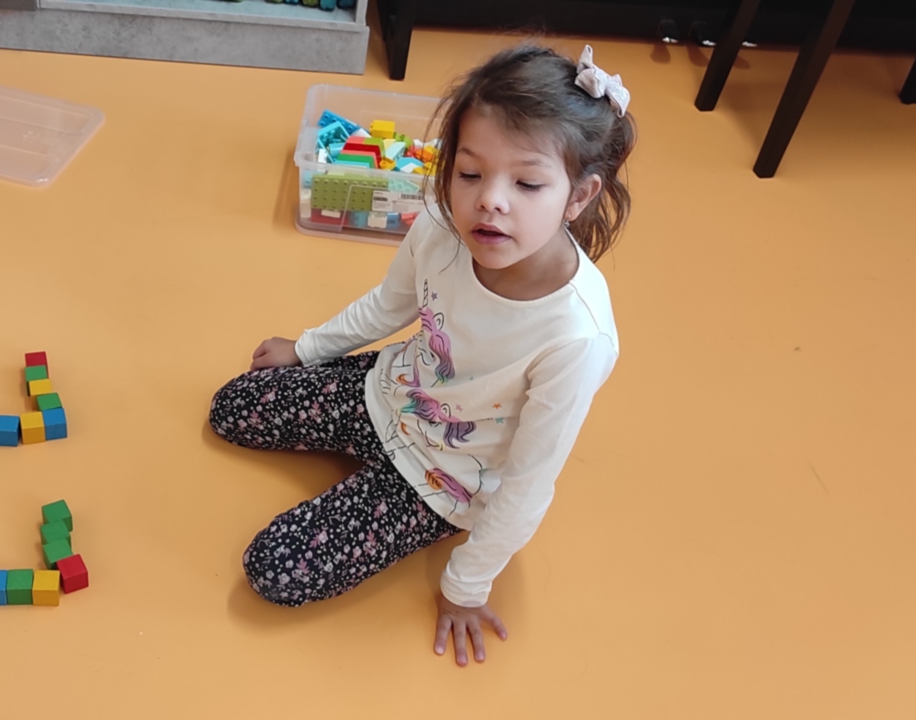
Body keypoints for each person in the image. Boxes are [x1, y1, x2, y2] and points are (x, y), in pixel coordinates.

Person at [209, 44, 635, 666]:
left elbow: (527, 482)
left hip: (443, 481)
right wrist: (306, 349)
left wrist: (466, 587)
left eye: (527, 183)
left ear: (578, 196)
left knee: (274, 570)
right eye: (470, 173)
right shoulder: (441, 226)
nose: (490, 200)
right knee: (230, 407)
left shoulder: (577, 337)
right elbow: (388, 307)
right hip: (389, 394)